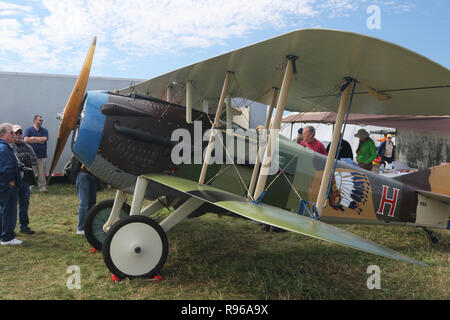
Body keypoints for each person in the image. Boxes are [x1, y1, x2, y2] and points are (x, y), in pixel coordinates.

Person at [12, 124, 37, 235]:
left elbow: (34, 160)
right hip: (13, 181)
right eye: (16, 133)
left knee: (24, 203)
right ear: (12, 134)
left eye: (20, 133)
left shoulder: (27, 147)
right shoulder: (9, 147)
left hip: (25, 180)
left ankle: (24, 226)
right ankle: (10, 229)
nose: (18, 135)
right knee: (11, 205)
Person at [0, 123, 22, 245]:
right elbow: (6, 168)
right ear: (3, 134)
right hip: (7, 186)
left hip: (3, 185)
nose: (14, 135)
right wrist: (11, 182)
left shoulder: (3, 147)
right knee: (9, 211)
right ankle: (8, 237)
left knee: (3, 210)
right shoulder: (4, 148)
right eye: (11, 133)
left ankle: (3, 234)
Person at [24, 115, 48, 192]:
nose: (41, 121)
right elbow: (26, 140)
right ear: (34, 120)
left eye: (42, 120)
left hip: (42, 155)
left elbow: (44, 139)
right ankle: (30, 188)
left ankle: (42, 187)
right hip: (31, 156)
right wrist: (38, 140)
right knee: (31, 172)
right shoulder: (29, 130)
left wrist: (33, 138)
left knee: (41, 172)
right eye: (39, 120)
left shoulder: (44, 130)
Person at [76, 164, 98, 235]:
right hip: (83, 174)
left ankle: (89, 227)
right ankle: (81, 228)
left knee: (92, 203)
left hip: (93, 175)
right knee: (84, 203)